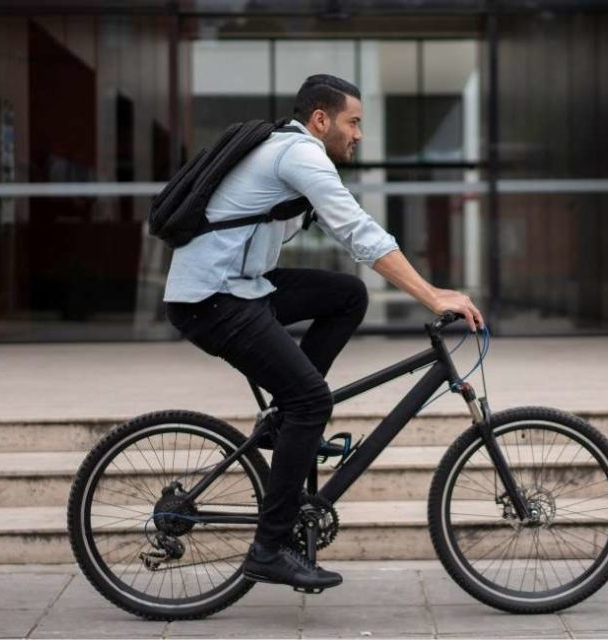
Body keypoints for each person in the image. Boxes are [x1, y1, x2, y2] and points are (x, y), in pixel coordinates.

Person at [163, 74, 484, 591]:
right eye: (353, 123)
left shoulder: (290, 153)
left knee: (347, 295)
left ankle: (287, 421)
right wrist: (432, 295)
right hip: (212, 298)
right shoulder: (298, 154)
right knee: (312, 400)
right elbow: (358, 231)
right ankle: (268, 550)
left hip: (240, 287)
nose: (358, 135)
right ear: (320, 120)